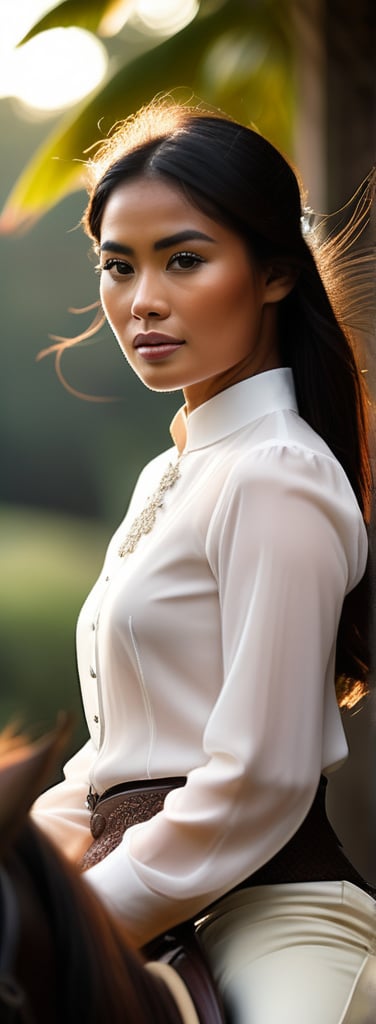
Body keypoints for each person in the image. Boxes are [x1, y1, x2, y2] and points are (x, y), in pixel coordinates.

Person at [32, 100, 376, 1023]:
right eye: (118, 266)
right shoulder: (172, 473)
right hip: (148, 895)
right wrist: (27, 870)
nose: (142, 299)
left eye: (183, 260)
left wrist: (84, 918)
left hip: (275, 921)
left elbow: (258, 779)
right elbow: (111, 765)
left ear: (271, 274)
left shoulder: (277, 472)